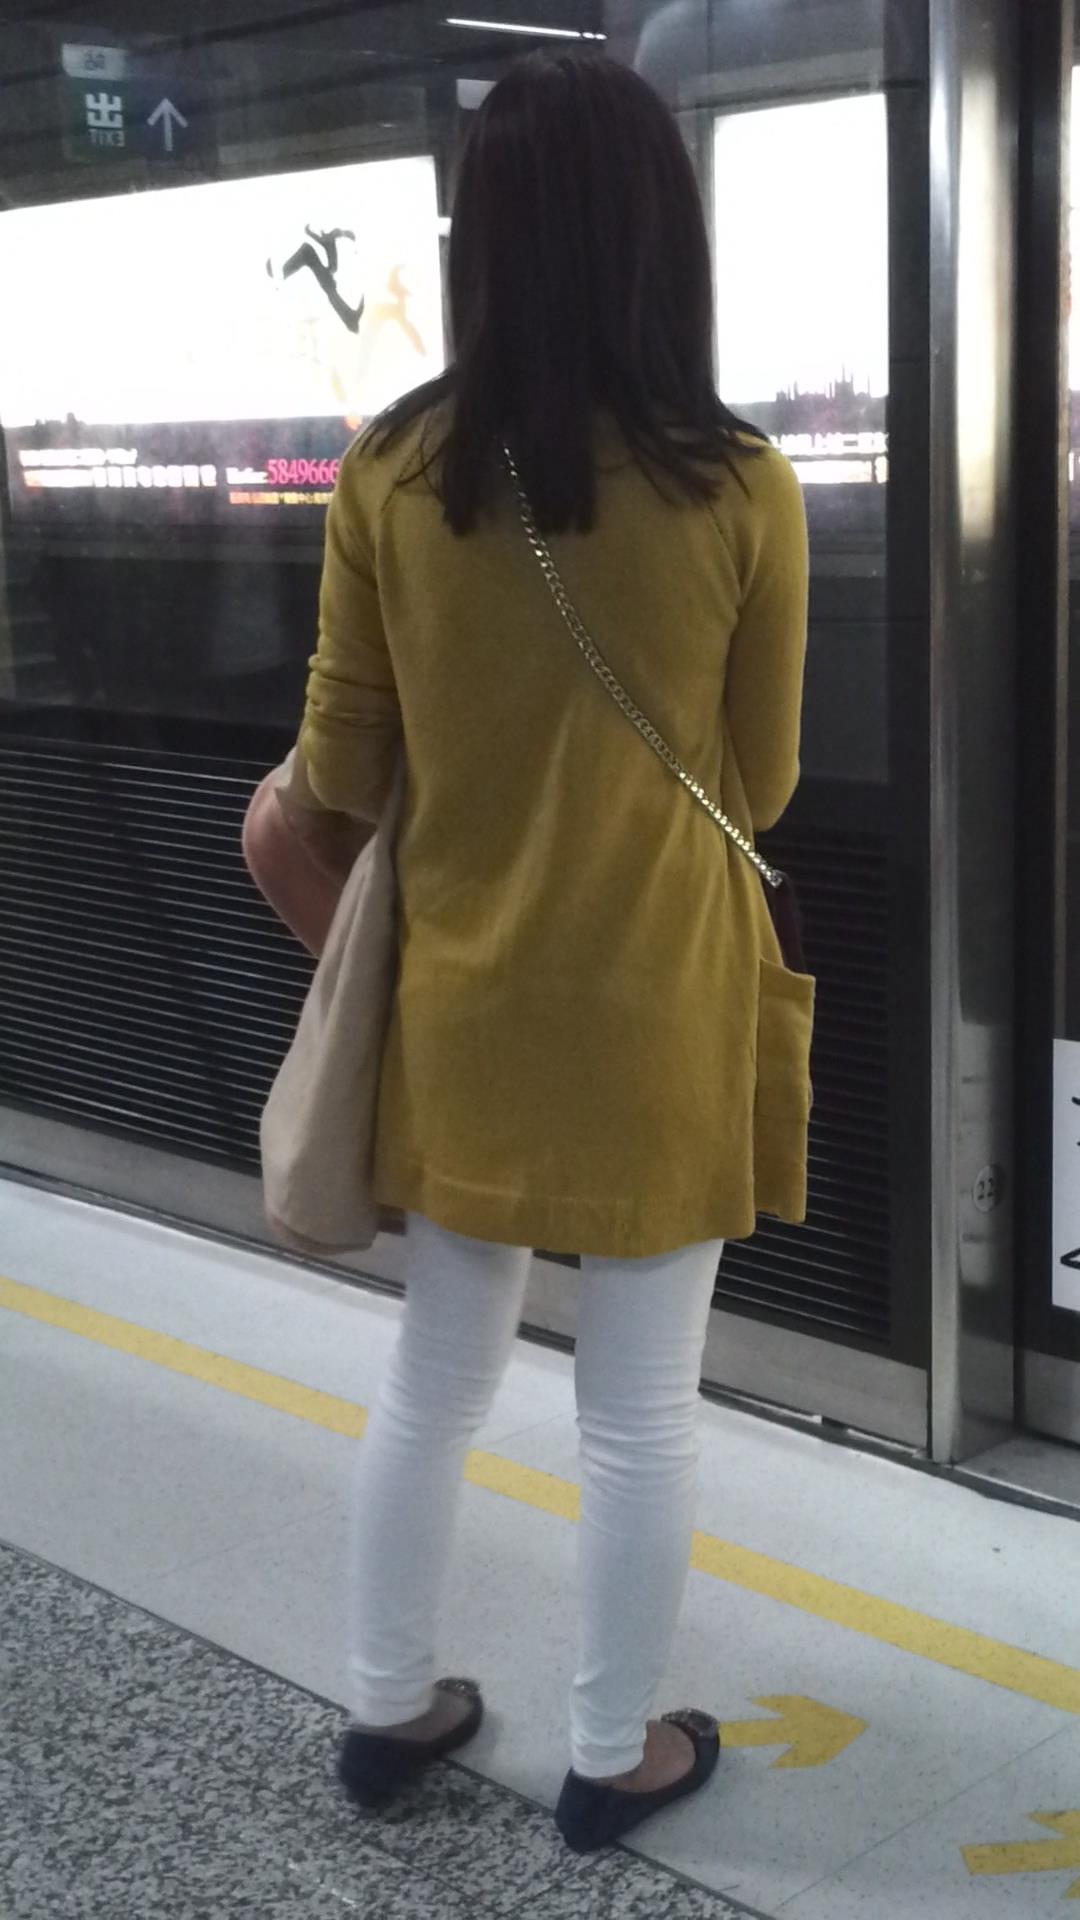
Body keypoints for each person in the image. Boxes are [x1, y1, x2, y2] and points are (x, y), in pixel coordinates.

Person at [295, 51, 809, 1852]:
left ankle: (388, 1709)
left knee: (435, 1379)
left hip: (465, 1002)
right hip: (661, 1005)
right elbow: (761, 781)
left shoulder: (389, 473)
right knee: (638, 1410)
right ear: (665, 236)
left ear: (480, 238)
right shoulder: (739, 483)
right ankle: (611, 1755)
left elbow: (337, 772)